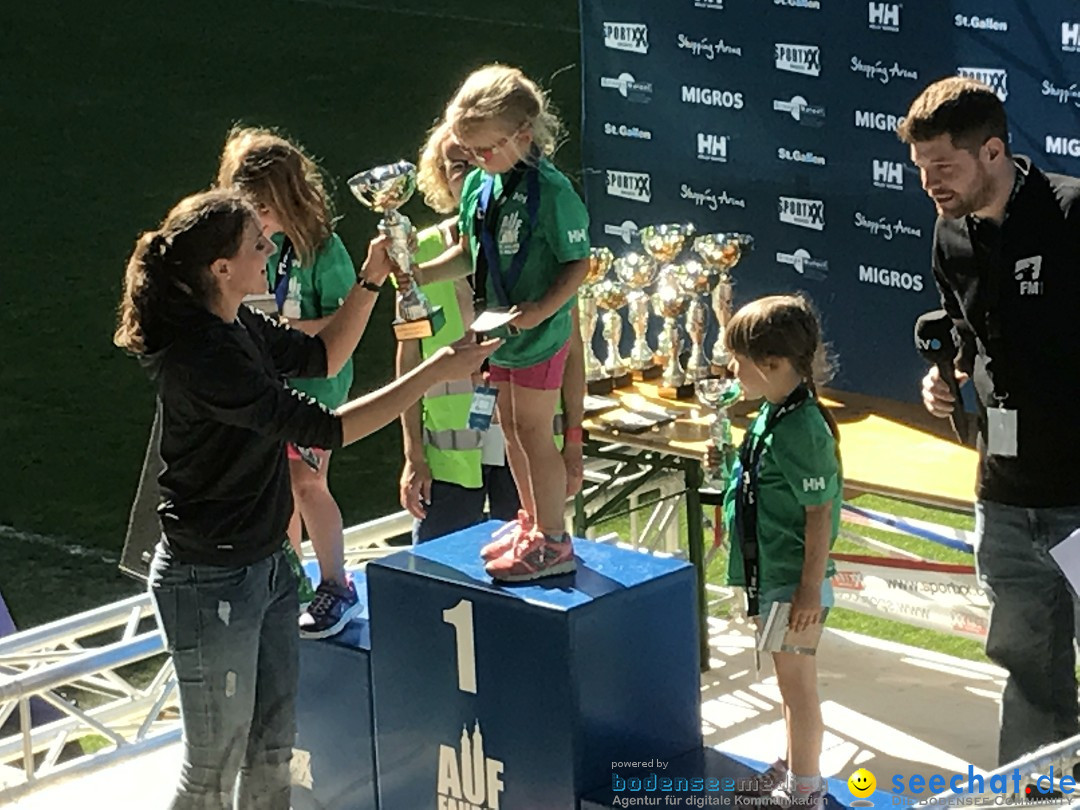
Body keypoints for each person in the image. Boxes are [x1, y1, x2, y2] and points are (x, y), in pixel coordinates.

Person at [114, 188, 496, 809]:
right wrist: (436, 369)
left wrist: (372, 280)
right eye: (255, 244)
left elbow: (323, 354)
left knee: (272, 748)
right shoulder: (203, 357)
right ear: (220, 268)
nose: (270, 248)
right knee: (213, 764)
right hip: (209, 580)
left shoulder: (237, 321)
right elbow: (329, 428)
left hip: (266, 564)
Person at [899, 76, 1080, 765]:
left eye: (942, 167)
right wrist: (944, 381)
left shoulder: (1070, 213)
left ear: (994, 151)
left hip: (1078, 504)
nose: (929, 184)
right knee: (1031, 678)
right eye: (920, 170)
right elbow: (969, 334)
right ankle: (1036, 801)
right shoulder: (950, 236)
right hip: (1004, 502)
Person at [411, 64, 591, 581]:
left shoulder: (553, 193)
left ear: (523, 137)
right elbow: (470, 254)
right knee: (509, 428)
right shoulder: (480, 187)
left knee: (534, 430)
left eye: (485, 149)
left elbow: (578, 264)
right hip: (501, 330)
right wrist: (418, 272)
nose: (476, 160)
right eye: (468, 151)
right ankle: (533, 521)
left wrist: (540, 310)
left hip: (538, 331)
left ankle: (554, 541)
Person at [216, 127, 358, 639]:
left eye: (265, 205)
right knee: (275, 491)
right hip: (265, 388)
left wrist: (278, 337)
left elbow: (347, 322)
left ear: (291, 198)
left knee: (307, 482)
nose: (258, 217)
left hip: (316, 386)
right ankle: (289, 581)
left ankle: (336, 583)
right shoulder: (250, 248)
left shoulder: (323, 250)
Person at [721, 295, 842, 810]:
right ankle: (793, 764)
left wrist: (808, 591)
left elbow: (820, 515)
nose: (732, 371)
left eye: (738, 362)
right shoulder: (774, 411)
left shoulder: (803, 429)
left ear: (773, 365)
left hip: (794, 585)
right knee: (785, 683)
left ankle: (806, 789)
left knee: (799, 688)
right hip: (774, 575)